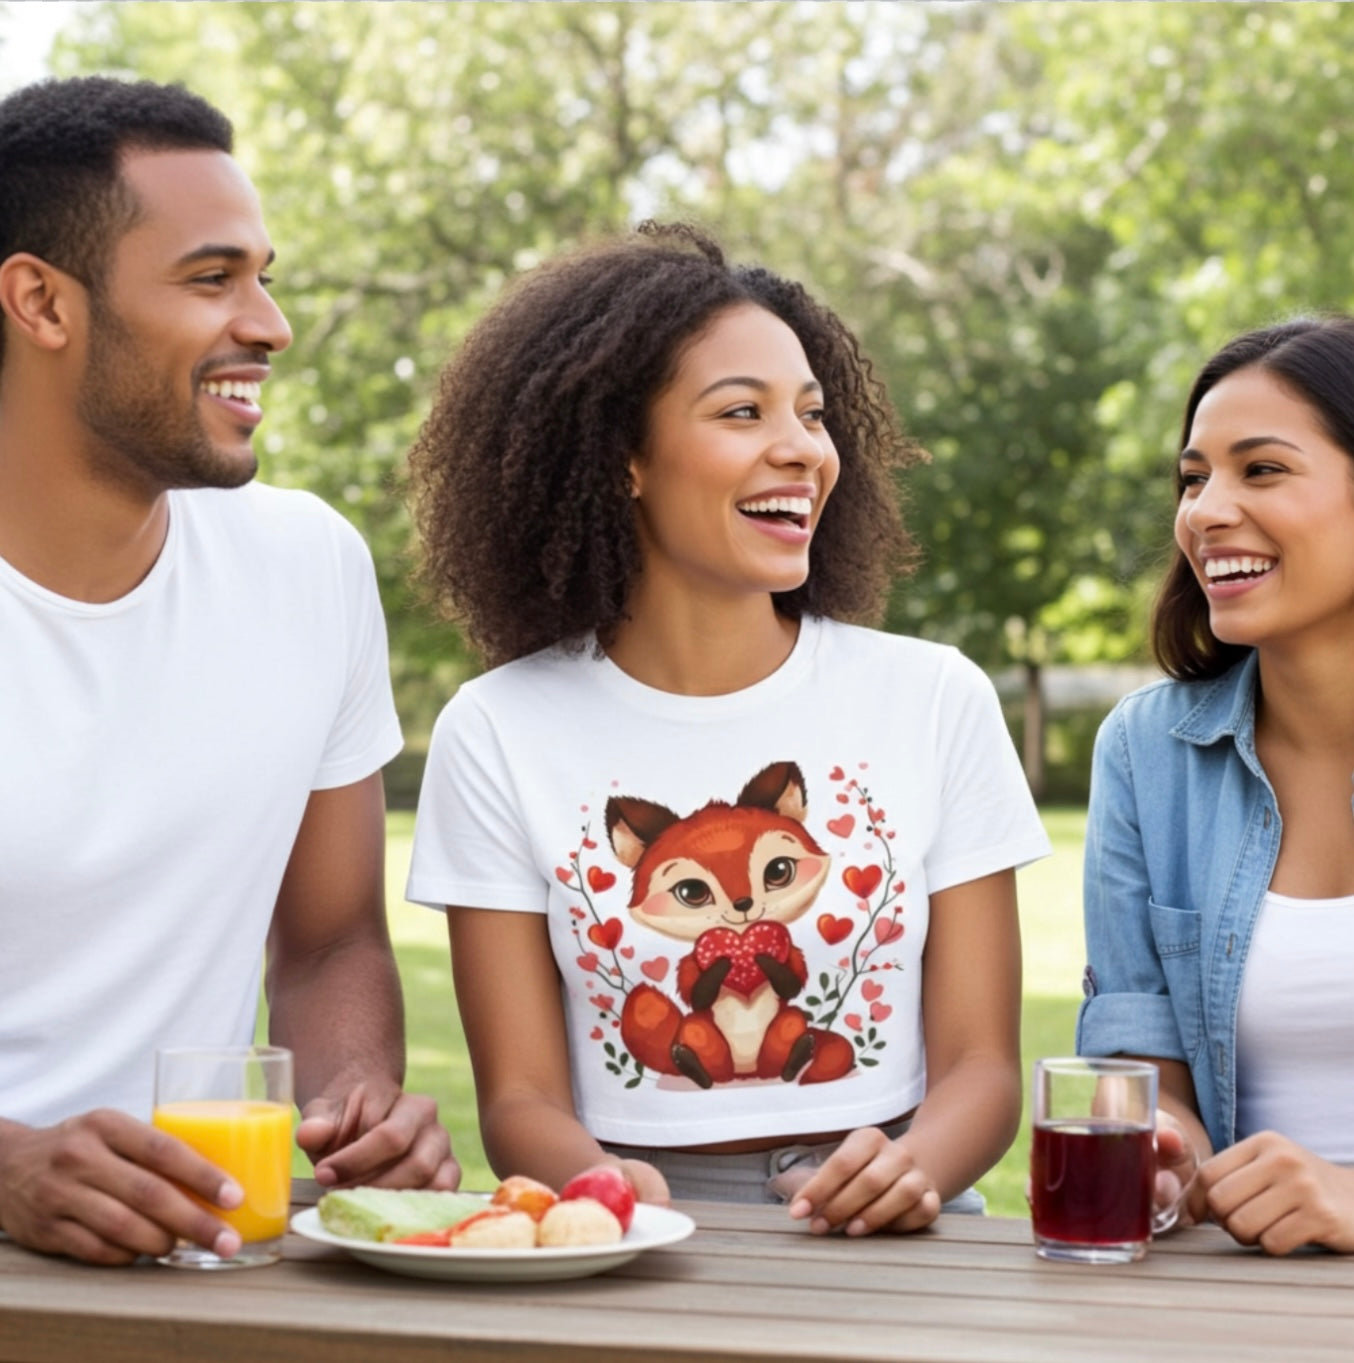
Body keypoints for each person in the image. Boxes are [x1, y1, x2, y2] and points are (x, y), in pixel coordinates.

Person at [405, 223, 1049, 1235]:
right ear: (622, 458)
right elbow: (520, 1101)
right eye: (741, 412)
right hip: (639, 1225)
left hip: (905, 1220)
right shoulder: (495, 730)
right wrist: (615, 1189)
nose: (799, 448)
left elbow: (981, 1070)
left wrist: (912, 1170)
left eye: (811, 414)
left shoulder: (934, 698)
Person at [0, 76, 457, 1267]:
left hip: (202, 1271)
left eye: (264, 276)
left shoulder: (306, 568)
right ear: (41, 302)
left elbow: (327, 943)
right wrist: (7, 1169)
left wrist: (352, 1104)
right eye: (212, 279)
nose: (269, 324)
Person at [1078, 316, 1354, 1256]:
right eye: (1193, 478)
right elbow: (1144, 1076)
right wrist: (1170, 1153)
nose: (1203, 511)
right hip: (1232, 1295)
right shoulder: (1145, 755)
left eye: (1261, 470)